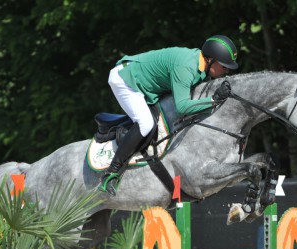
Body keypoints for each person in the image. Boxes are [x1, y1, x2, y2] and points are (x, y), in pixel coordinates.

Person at [99, 35, 239, 195]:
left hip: (147, 85)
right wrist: (214, 100)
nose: (226, 71)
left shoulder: (201, 66)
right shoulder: (186, 67)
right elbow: (182, 107)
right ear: (211, 59)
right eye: (224, 66)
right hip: (127, 80)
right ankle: (112, 172)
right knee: (146, 123)